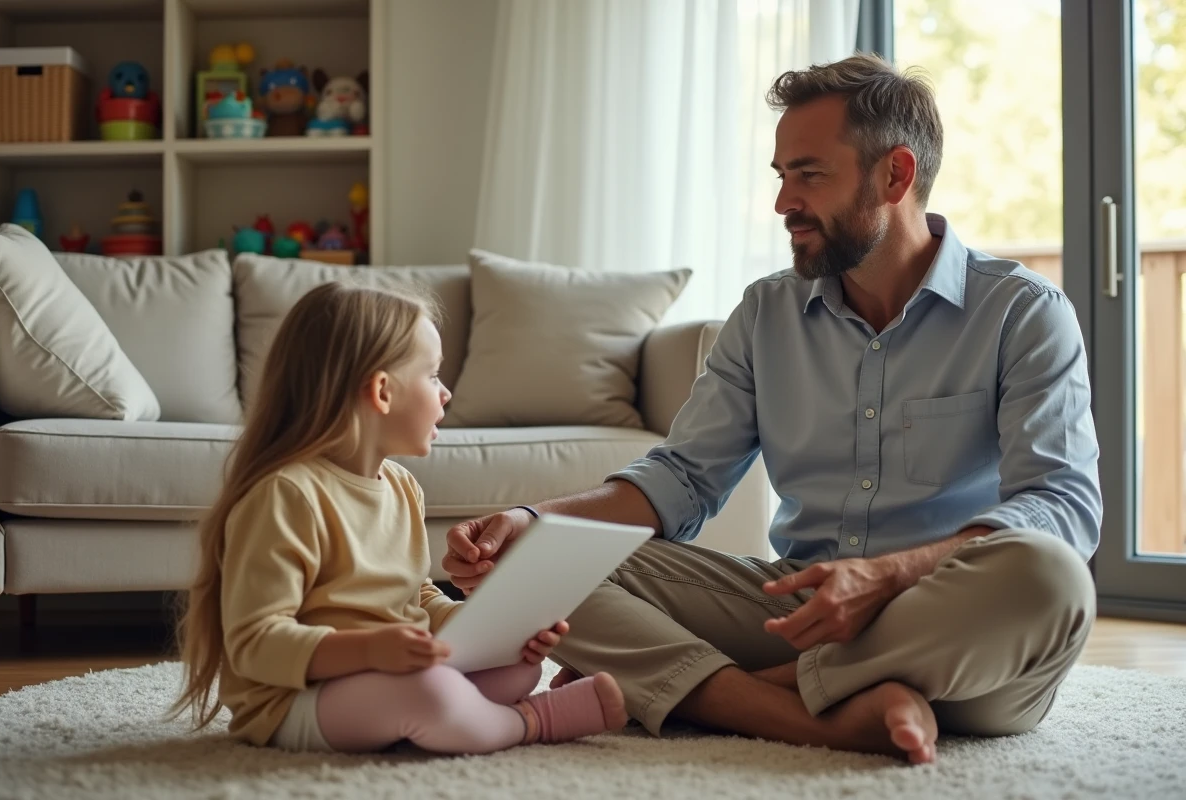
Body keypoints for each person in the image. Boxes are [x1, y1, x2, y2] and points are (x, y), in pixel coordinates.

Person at [443, 53, 1101, 765]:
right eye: (781, 176)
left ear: (896, 175)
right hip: (795, 613)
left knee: (1051, 576)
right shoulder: (766, 312)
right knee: (536, 559)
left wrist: (889, 575)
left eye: (809, 174)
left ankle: (735, 695)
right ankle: (823, 715)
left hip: (958, 631)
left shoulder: (1023, 313)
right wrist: (532, 520)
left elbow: (1061, 505)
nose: (784, 202)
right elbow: (683, 478)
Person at [170, 282, 627, 754]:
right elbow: (255, 643)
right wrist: (369, 651)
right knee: (433, 694)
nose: (446, 392)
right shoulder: (287, 495)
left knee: (518, 669)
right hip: (296, 700)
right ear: (382, 391)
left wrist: (494, 631)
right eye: (432, 375)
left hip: (385, 679)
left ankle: (470, 710)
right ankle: (530, 721)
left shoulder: (402, 486)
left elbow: (417, 599)